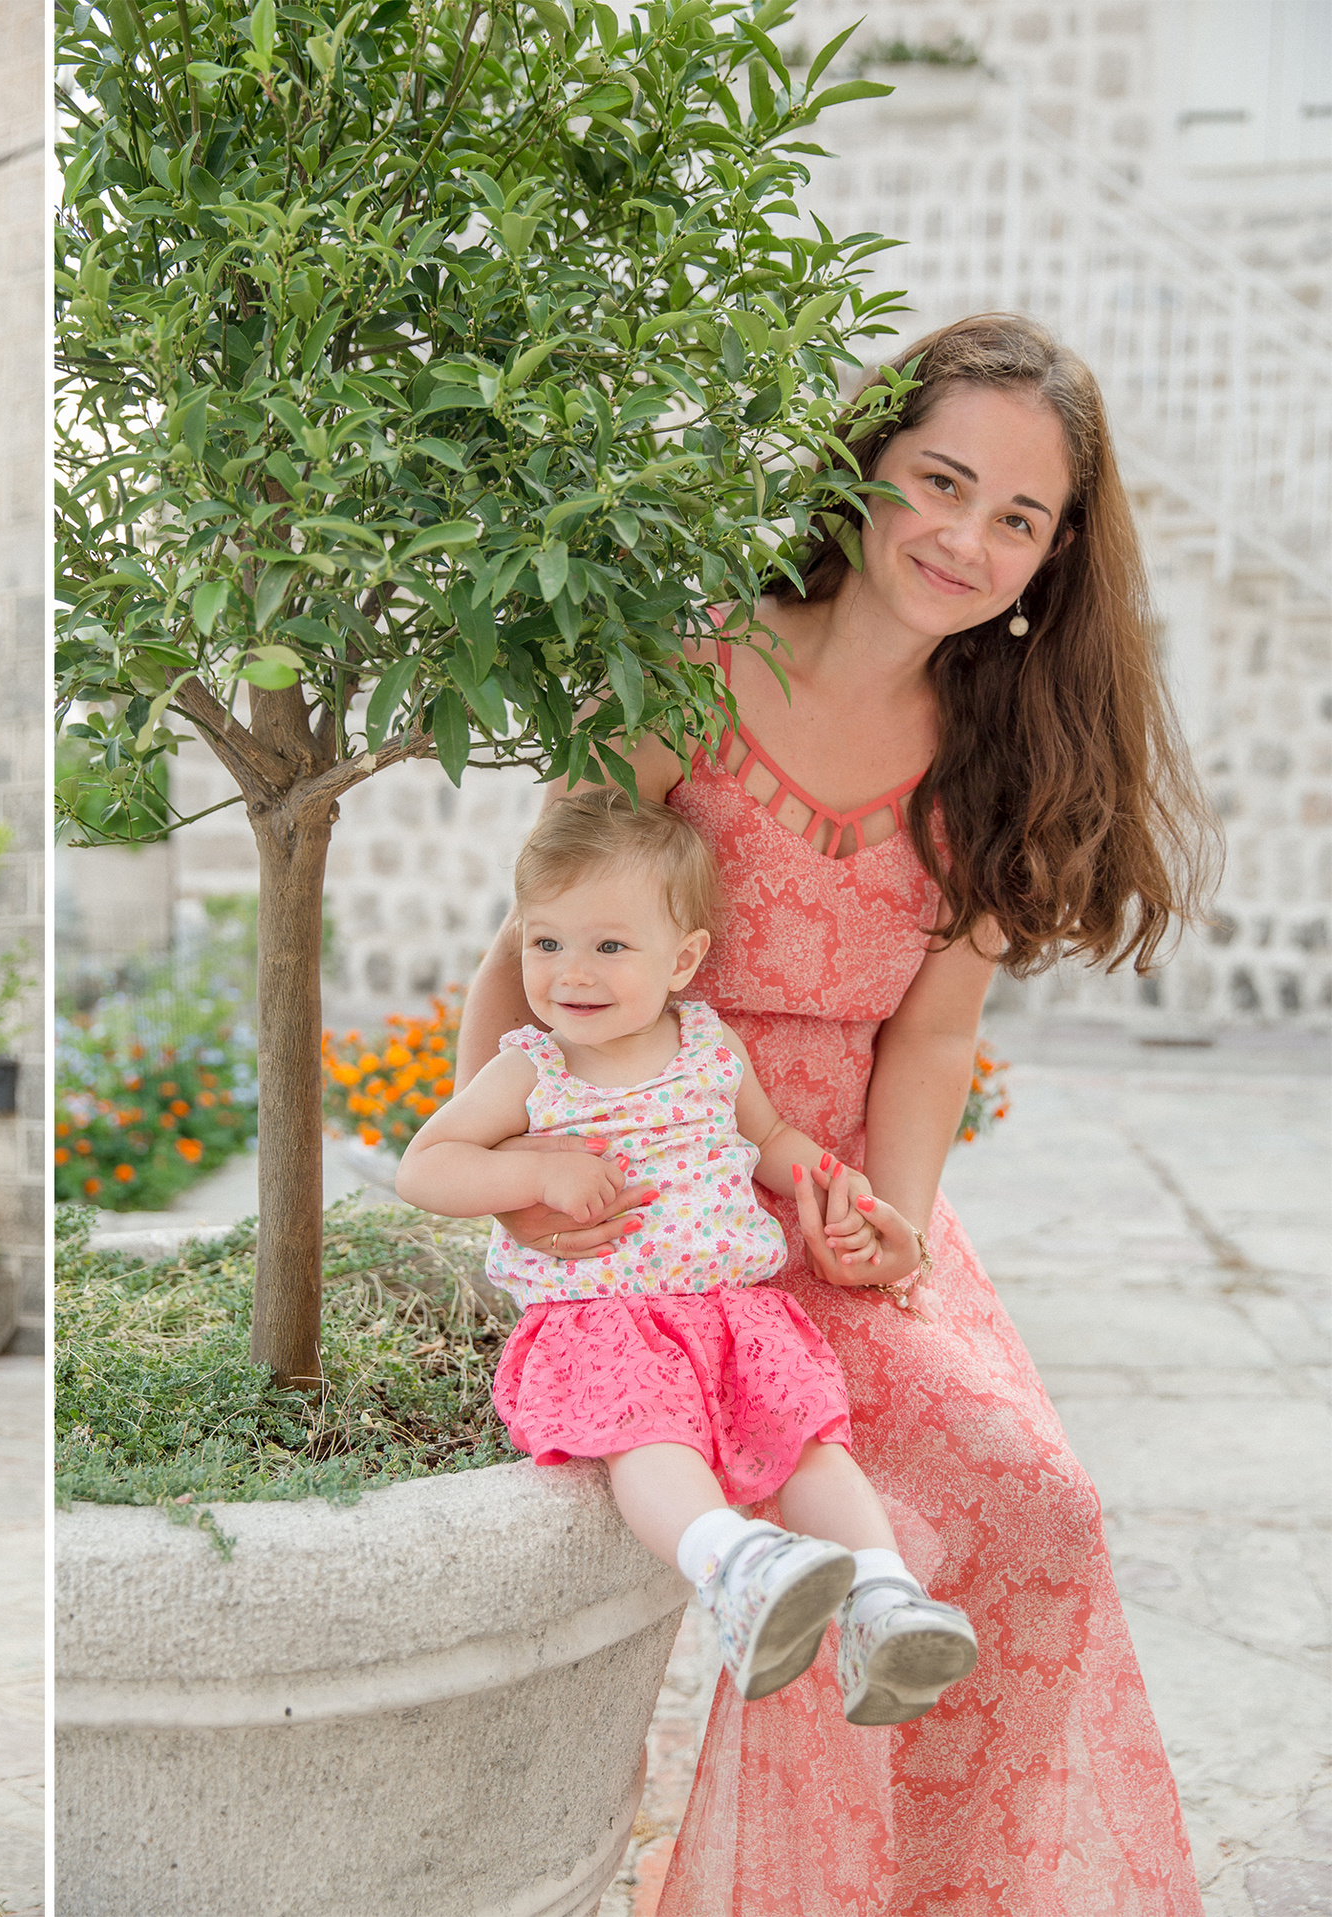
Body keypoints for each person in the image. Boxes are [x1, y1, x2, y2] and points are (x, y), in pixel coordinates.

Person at [454, 314, 1212, 1913]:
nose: (967, 537)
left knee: (1045, 1508)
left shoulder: (1005, 755)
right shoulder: (693, 672)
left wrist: (901, 1232)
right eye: (940, 481)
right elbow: (537, 947)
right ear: (866, 469)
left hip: (839, 1195)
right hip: (655, 1196)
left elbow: (936, 1037)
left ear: (1057, 556)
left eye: (1019, 518)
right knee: (856, 1548)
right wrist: (512, 1165)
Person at [397, 789, 981, 1726]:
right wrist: (535, 1182)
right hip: (601, 1321)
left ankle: (885, 1597)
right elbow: (425, 1167)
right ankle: (734, 1562)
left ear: (686, 960)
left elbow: (774, 1138)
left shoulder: (710, 1048)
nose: (571, 973)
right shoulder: (531, 1070)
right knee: (648, 1438)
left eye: (609, 946)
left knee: (809, 1440)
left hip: (734, 1311)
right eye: (545, 943)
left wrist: (838, 1190)